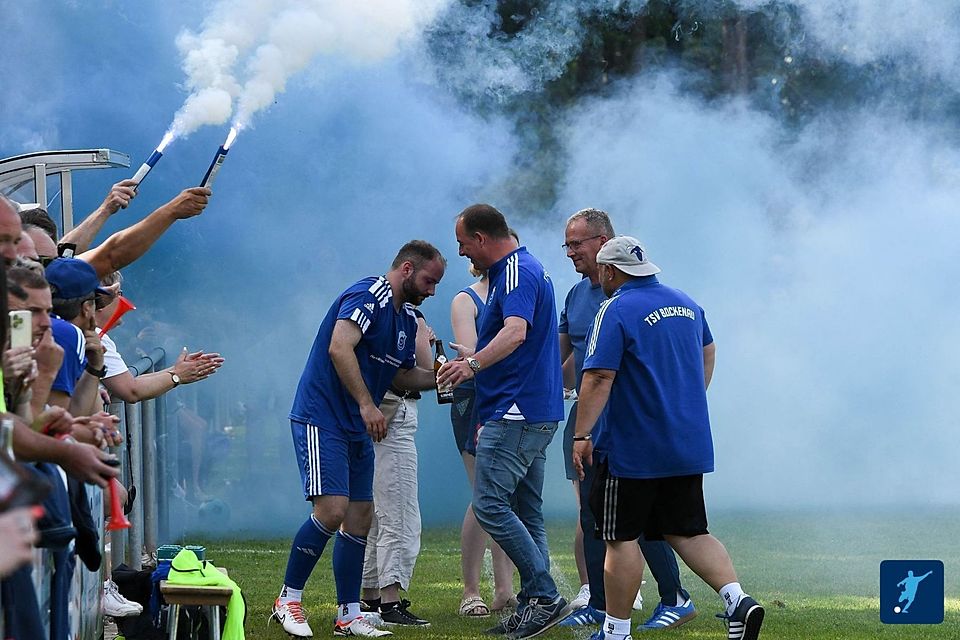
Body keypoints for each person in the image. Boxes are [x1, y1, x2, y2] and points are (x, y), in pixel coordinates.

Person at [572, 236, 764, 640]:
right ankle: (737, 600)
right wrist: (689, 398)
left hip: (632, 448)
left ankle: (616, 630)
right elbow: (708, 351)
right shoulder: (687, 304)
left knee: (620, 538)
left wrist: (582, 434)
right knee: (688, 531)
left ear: (609, 271)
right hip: (686, 442)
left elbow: (599, 375)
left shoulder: (615, 308)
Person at [272, 240, 446, 638]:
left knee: (360, 518)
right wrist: (368, 405)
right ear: (406, 268)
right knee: (332, 510)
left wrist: (444, 375)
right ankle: (288, 598)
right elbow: (339, 346)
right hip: (323, 416)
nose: (433, 289)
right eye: (429, 280)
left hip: (355, 424)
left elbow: (403, 376)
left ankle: (349, 614)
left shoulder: (405, 319)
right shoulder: (370, 293)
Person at [557, 210, 695, 630]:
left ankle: (674, 597)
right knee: (593, 517)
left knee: (648, 520)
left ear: (603, 243)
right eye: (567, 244)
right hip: (587, 419)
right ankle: (600, 604)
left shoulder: (636, 294)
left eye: (576, 244)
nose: (570, 253)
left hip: (632, 422)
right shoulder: (577, 295)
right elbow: (566, 359)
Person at [437, 204, 569, 640]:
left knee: (491, 504)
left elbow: (515, 333)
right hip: (535, 410)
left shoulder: (514, 271)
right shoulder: (527, 270)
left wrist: (470, 364)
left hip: (515, 412)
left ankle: (543, 595)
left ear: (480, 238)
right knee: (527, 510)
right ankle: (536, 604)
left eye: (462, 243)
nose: (461, 253)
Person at [449, 264, 515, 618]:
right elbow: (472, 353)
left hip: (507, 398)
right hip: (475, 400)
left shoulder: (516, 294)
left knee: (503, 495)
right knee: (483, 494)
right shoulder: (467, 299)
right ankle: (471, 591)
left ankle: (505, 589)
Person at [360, 310, 433, 626]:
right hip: (395, 416)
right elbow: (424, 370)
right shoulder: (407, 318)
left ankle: (371, 598)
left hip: (377, 417)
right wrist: (424, 339)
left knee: (377, 514)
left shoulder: (376, 316)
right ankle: (389, 604)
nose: (430, 291)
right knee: (400, 515)